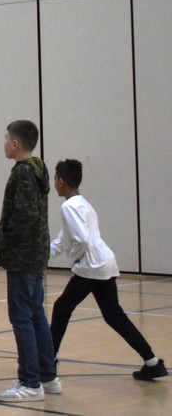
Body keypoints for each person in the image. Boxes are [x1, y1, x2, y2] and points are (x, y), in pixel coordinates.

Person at [49, 159, 167, 381]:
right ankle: (152, 362)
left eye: (55, 179)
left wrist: (75, 258)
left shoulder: (68, 207)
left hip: (91, 266)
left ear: (62, 182)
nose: (54, 183)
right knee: (113, 315)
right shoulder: (82, 203)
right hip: (104, 263)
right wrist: (44, 257)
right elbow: (64, 238)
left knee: (62, 307)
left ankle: (48, 362)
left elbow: (81, 240)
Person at [0, 120, 59, 402]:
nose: (4, 142)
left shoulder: (22, 173)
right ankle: (48, 376)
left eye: (6, 138)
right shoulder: (39, 170)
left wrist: (6, 247)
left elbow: (25, 216)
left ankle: (30, 383)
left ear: (16, 143)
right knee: (36, 316)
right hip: (35, 255)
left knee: (21, 317)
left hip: (22, 258)